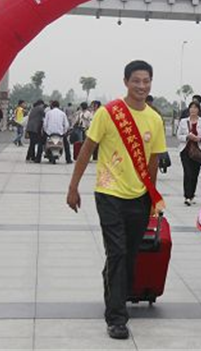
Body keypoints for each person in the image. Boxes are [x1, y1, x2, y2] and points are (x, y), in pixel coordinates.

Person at [66, 60, 166, 340]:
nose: (141, 86)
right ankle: (117, 318)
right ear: (126, 82)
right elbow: (87, 149)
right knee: (118, 252)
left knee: (129, 255)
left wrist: (154, 198)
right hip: (109, 193)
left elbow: (153, 161)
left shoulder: (155, 119)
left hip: (139, 197)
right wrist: (73, 187)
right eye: (136, 81)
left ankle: (114, 288)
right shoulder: (108, 113)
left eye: (146, 81)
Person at [177, 101, 201, 206]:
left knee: (195, 174)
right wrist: (187, 137)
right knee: (187, 173)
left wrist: (199, 139)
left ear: (198, 110)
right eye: (191, 108)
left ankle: (192, 195)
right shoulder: (183, 121)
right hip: (185, 150)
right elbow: (179, 135)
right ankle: (187, 196)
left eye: (195, 108)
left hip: (198, 151)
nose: (193, 110)